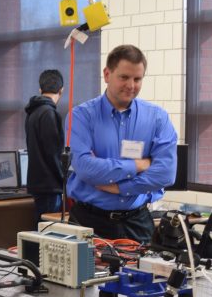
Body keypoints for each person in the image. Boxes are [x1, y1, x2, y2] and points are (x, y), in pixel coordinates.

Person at [66, 44, 177, 243]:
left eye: (137, 79)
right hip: (89, 221)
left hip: (138, 222)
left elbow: (165, 173)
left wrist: (120, 187)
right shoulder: (81, 117)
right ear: (107, 74)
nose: (131, 85)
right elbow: (85, 168)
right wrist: (138, 165)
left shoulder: (157, 118)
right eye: (124, 77)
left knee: (142, 274)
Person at [25, 69, 66, 221]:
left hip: (38, 183)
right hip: (50, 186)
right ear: (61, 91)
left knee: (40, 232)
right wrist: (65, 180)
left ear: (40, 89)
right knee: (48, 236)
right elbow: (53, 153)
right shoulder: (49, 113)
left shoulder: (32, 112)